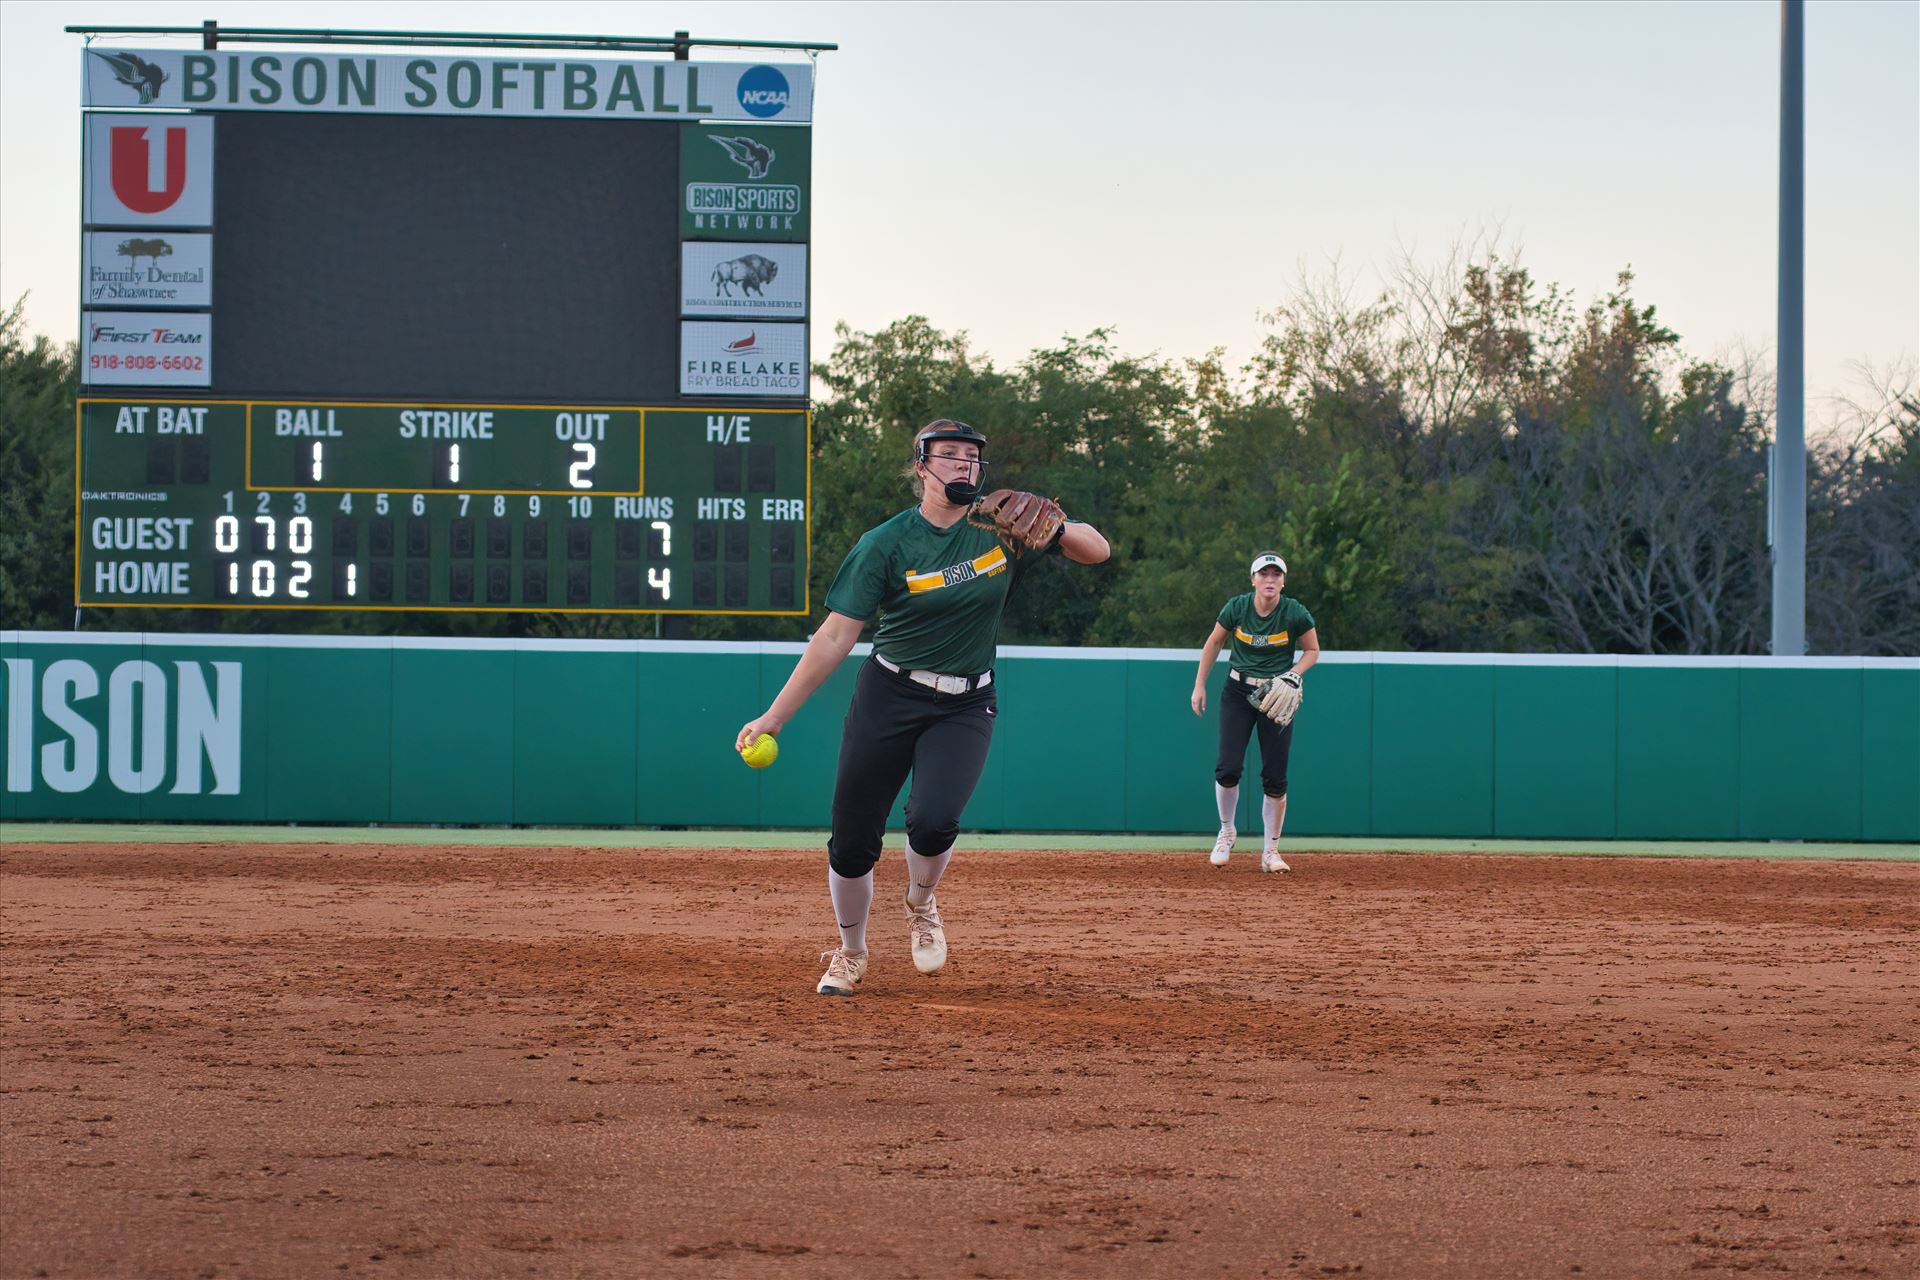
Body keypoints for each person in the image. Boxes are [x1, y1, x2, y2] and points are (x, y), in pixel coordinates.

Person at [735, 420, 1111, 996]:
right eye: (950, 455)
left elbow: (1098, 551)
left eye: (972, 457)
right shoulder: (885, 543)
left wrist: (1057, 524)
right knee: (853, 838)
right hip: (889, 695)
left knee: (934, 820)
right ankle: (852, 951)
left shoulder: (1001, 526)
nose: (964, 465)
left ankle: (921, 902)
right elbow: (835, 636)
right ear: (922, 466)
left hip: (966, 701)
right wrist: (773, 717)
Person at [1189, 552, 1320, 872]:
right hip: (1238, 691)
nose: (1270, 580)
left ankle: (1270, 852)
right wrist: (1199, 685)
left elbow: (1312, 650)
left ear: (1283, 581)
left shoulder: (1294, 613)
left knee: (1275, 776)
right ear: (1253, 580)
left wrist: (1294, 673)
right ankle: (1226, 830)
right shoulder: (1237, 607)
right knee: (1228, 768)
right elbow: (1214, 643)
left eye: (1276, 575)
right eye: (1264, 574)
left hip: (1275, 695)